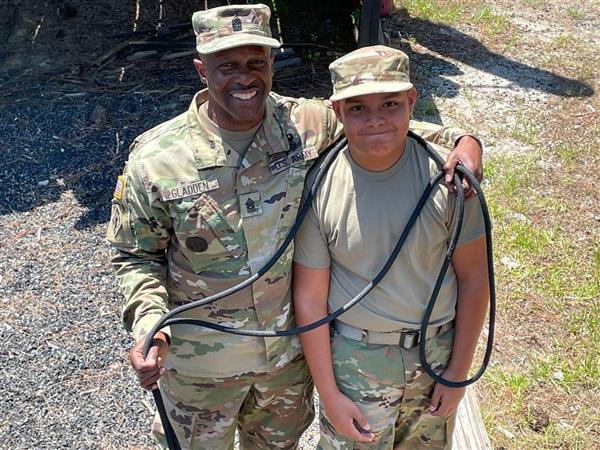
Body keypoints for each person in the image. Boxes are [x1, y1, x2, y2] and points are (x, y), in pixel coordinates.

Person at [106, 4, 484, 449]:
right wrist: (151, 324)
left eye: (256, 62)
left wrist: (467, 143)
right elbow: (136, 255)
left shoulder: (305, 124)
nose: (245, 77)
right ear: (201, 70)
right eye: (227, 65)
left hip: (286, 368)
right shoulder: (157, 161)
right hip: (200, 371)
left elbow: (388, 125)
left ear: (271, 64)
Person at [293, 45, 489, 450]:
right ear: (338, 110)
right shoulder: (321, 184)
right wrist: (329, 395)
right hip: (356, 362)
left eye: (390, 103)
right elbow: (310, 300)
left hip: (435, 354)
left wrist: (457, 373)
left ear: (412, 101)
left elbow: (473, 281)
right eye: (358, 107)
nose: (376, 118)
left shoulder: (449, 181)